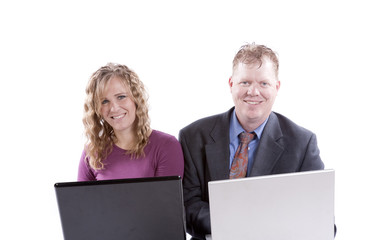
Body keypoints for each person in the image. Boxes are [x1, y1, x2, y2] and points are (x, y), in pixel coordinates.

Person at [179, 43, 332, 239]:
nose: (253, 91)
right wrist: (238, 226)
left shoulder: (302, 144)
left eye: (263, 83)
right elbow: (187, 206)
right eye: (245, 82)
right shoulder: (193, 136)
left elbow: (320, 216)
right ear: (231, 84)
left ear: (277, 87)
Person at [78, 63, 184, 181]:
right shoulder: (92, 152)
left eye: (121, 97)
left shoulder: (165, 146)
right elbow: (80, 199)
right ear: (96, 109)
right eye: (104, 101)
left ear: (136, 99)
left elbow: (168, 198)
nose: (114, 108)